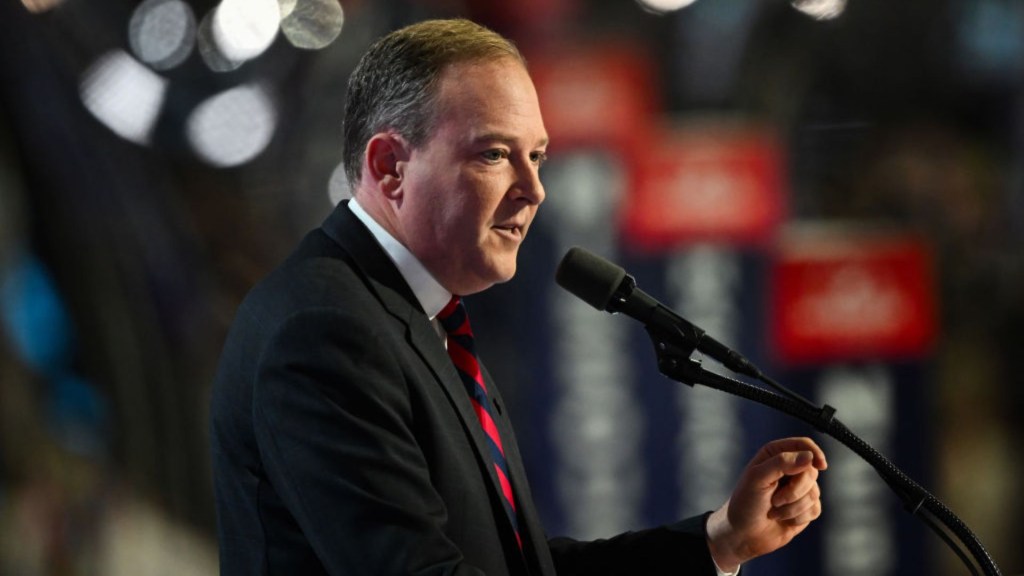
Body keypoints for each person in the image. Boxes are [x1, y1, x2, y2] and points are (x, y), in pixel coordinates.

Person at [209, 18, 827, 576]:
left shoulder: (417, 321)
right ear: (391, 167)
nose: (535, 190)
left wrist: (719, 541)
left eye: (538, 157)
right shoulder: (327, 330)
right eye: (496, 154)